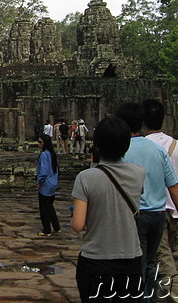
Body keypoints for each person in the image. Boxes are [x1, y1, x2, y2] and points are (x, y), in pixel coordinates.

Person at [117, 102, 178, 303]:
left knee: (136, 265)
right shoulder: (157, 149)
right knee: (150, 264)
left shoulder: (122, 149)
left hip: (135, 214)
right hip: (158, 214)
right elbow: (174, 185)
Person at [72, 117, 146, 302]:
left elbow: (78, 225)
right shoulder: (138, 173)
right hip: (131, 256)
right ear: (126, 145)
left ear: (96, 145)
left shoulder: (86, 178)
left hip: (95, 259)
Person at [142, 99, 178, 302]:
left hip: (153, 208)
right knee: (161, 257)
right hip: (172, 209)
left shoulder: (144, 147)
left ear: (143, 121)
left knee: (163, 261)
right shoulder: (177, 145)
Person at [36, 134, 60, 236]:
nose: (39, 144)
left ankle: (47, 229)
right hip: (53, 183)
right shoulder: (52, 154)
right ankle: (56, 226)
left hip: (46, 184)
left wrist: (39, 182)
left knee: (44, 208)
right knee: (49, 206)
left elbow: (44, 171)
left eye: (40, 142)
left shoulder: (44, 155)